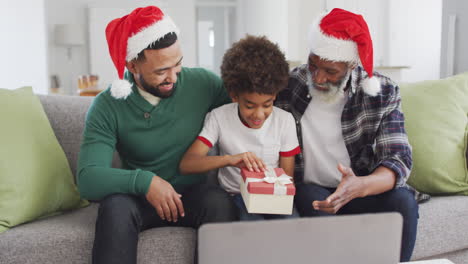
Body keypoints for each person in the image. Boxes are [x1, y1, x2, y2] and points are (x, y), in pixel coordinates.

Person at [77, 6, 237, 264]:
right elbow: (88, 179)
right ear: (132, 64)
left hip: (192, 194)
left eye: (178, 64)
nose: (173, 77)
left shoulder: (202, 84)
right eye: (161, 71)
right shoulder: (107, 105)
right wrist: (146, 182)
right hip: (138, 200)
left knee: (219, 202)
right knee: (115, 208)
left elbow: (249, 104)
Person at [275, 8, 418, 262]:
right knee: (310, 199)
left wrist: (360, 186)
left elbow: (398, 158)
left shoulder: (382, 92)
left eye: (330, 71)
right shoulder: (289, 86)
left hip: (362, 188)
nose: (318, 77)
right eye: (313, 64)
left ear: (351, 65)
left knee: (403, 202)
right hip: (313, 190)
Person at [179, 35, 301, 221]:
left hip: (275, 197)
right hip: (237, 195)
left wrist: (277, 199)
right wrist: (230, 160)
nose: (259, 115)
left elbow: (288, 179)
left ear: (275, 95)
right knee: (251, 228)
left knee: (292, 226)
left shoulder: (284, 121)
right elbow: (188, 164)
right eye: (250, 106)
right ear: (234, 95)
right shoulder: (219, 117)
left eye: (267, 105)